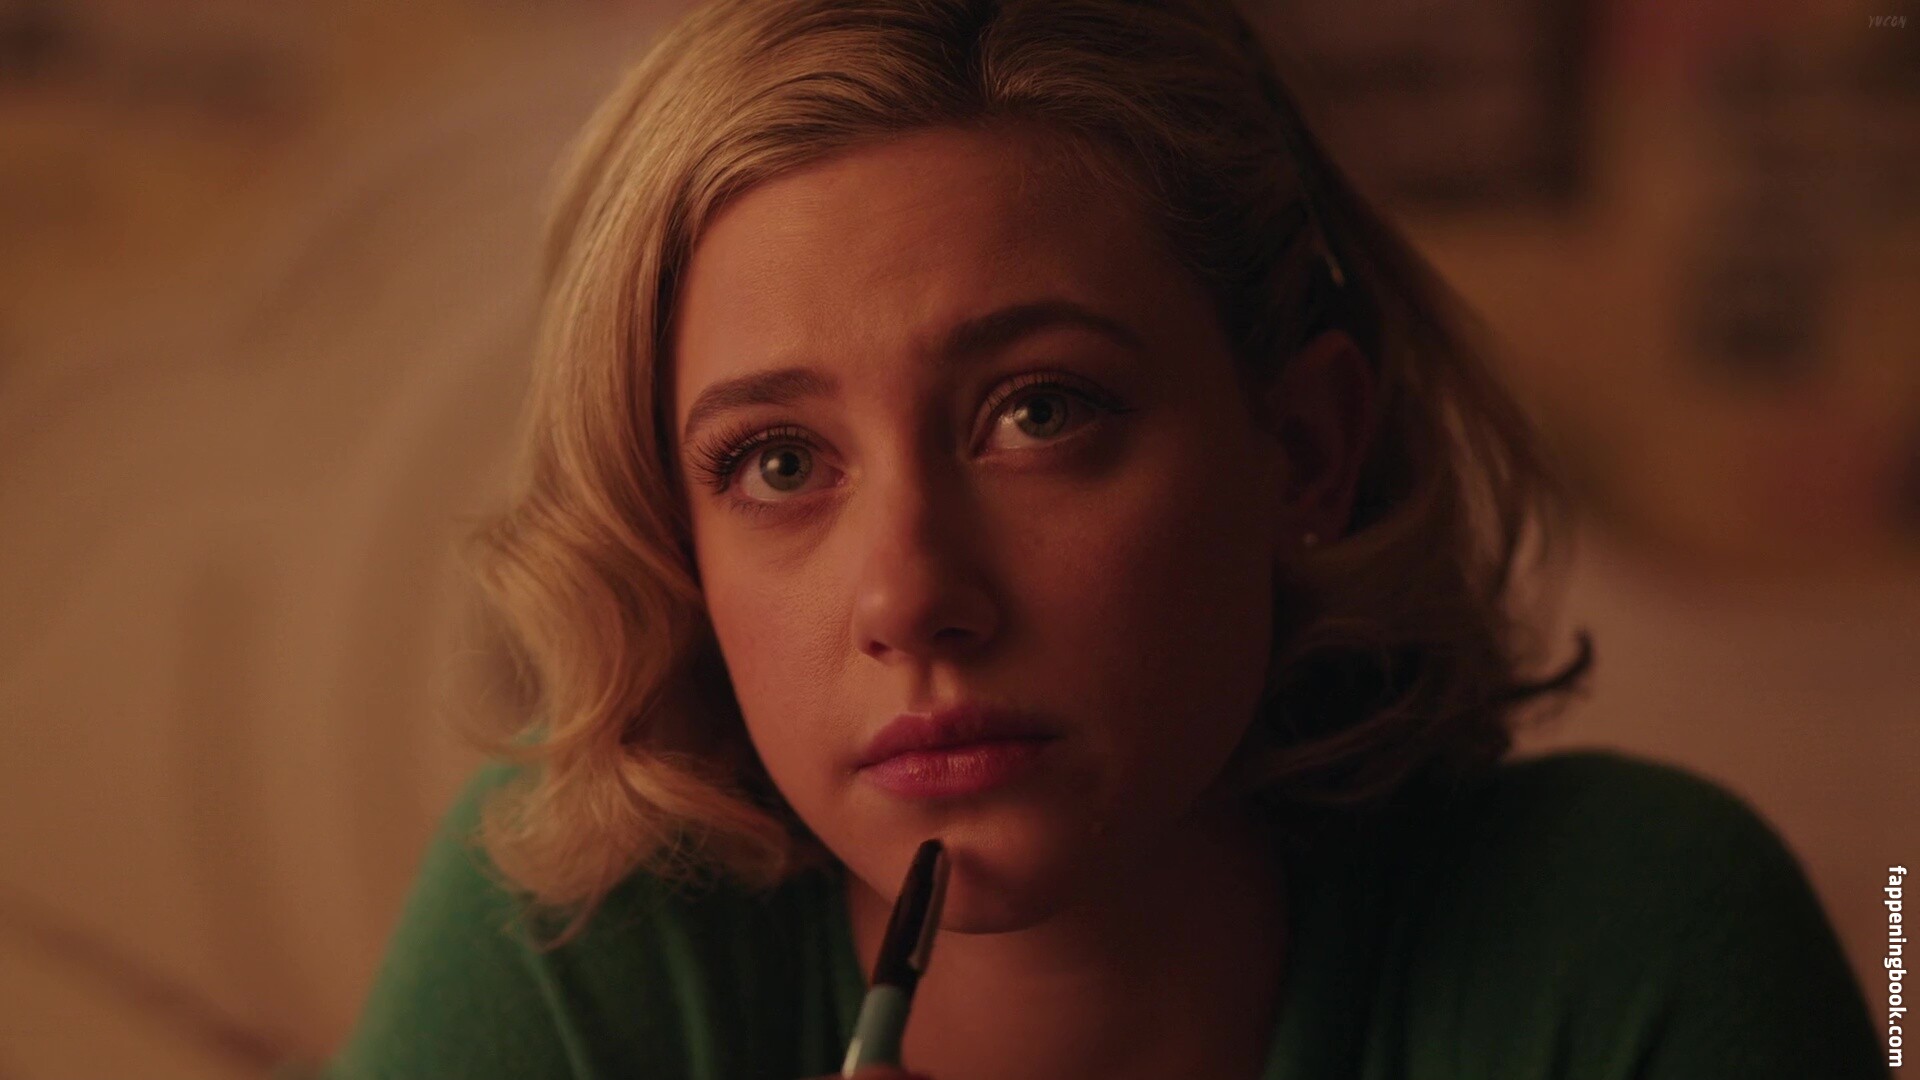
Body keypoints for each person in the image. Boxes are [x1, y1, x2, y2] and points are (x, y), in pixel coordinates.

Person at [313, 1, 1888, 1077]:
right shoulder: (577, 938)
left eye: (1040, 411)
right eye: (778, 460)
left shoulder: (1625, 941)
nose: (912, 594)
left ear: (1305, 450)